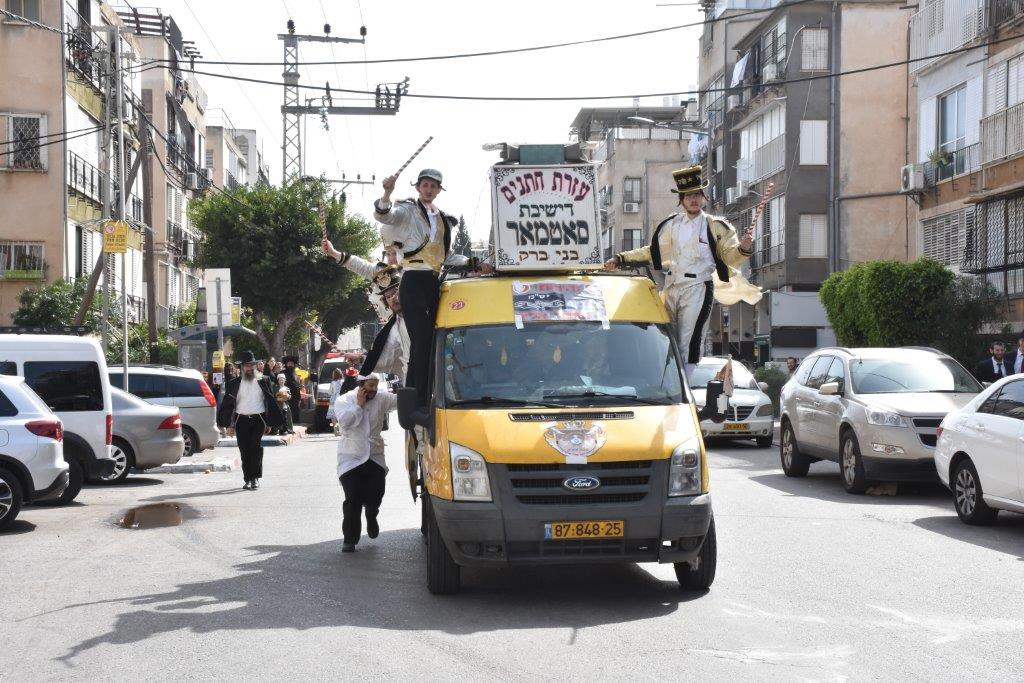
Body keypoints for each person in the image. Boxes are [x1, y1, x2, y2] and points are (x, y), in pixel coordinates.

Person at [604, 165, 761, 379]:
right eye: (688, 195)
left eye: (696, 194)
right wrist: (621, 258)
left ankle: (683, 390)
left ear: (703, 197)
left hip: (698, 287)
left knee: (689, 340)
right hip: (671, 287)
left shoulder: (717, 226)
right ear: (681, 199)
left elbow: (730, 257)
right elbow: (653, 251)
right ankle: (664, 383)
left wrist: (744, 247)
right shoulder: (672, 224)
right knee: (664, 336)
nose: (693, 199)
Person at [373, 169, 456, 408]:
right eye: (425, 185)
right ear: (418, 187)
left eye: (434, 186)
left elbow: (446, 255)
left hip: (433, 281)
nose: (429, 189)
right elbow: (384, 216)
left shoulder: (443, 218)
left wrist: (476, 265)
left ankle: (431, 392)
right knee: (420, 341)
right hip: (413, 280)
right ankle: (415, 400)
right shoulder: (407, 210)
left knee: (434, 341)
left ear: (439, 190)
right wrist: (387, 192)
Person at [333, 374, 398, 553]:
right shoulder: (344, 400)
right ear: (361, 385)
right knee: (352, 497)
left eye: (376, 385)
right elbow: (345, 424)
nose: (374, 389)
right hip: (351, 458)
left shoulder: (381, 398)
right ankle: (350, 539)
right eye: (370, 385)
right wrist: (359, 405)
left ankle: (371, 513)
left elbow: (401, 401)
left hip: (374, 456)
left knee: (375, 495)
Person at [216, 350, 284, 490]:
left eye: (251, 365)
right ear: (241, 367)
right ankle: (247, 479)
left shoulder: (264, 380)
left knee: (255, 447)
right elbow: (229, 404)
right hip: (241, 419)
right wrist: (230, 424)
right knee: (244, 450)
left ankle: (255, 478)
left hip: (259, 419)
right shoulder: (234, 383)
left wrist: (269, 422)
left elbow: (270, 401)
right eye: (246, 365)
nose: (249, 368)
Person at [282, 357, 303, 428]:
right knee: (288, 409)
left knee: (296, 409)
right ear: (286, 364)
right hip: (287, 394)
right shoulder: (283, 373)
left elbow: (297, 383)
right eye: (289, 364)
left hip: (296, 395)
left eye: (292, 364)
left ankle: (296, 423)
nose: (290, 365)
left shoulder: (296, 373)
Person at [326, 367, 346, 434]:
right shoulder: (343, 382)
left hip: (334, 399)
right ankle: (340, 430)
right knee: (341, 414)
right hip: (342, 398)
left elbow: (329, 392)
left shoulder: (333, 382)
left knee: (333, 415)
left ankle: (335, 430)